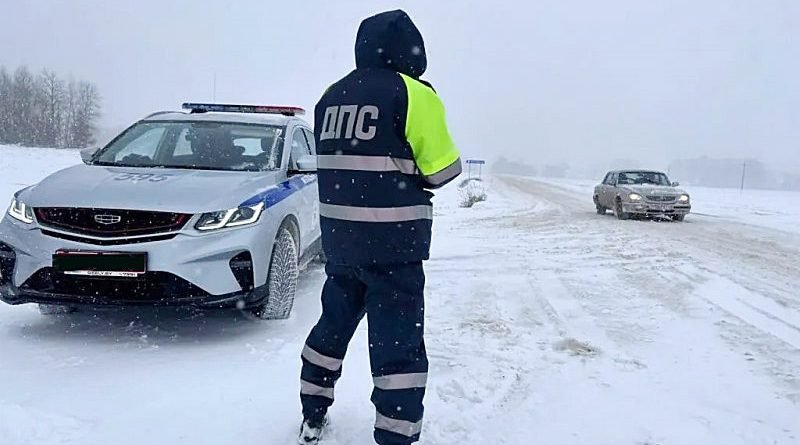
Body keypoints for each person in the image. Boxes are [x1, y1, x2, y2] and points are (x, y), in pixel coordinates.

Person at [298, 9, 462, 445]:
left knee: (331, 330)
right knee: (397, 351)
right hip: (394, 247)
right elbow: (444, 171)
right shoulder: (413, 94)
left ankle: (312, 414)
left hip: (341, 245)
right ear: (413, 51)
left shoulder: (331, 96)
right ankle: (395, 435)